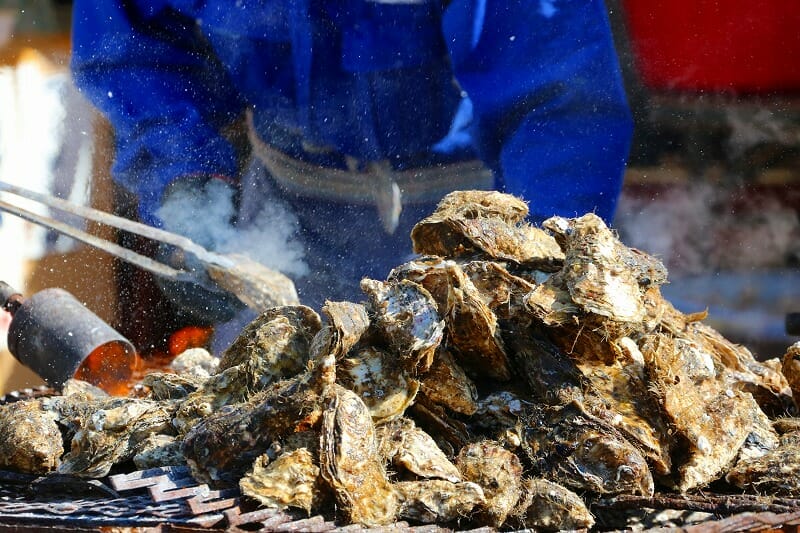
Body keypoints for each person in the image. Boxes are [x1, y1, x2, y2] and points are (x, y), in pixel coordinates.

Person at [70, 0, 633, 337]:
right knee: (268, 424)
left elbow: (560, 104)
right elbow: (135, 50)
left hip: (463, 225)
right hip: (284, 215)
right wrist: (184, 185)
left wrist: (538, 266)